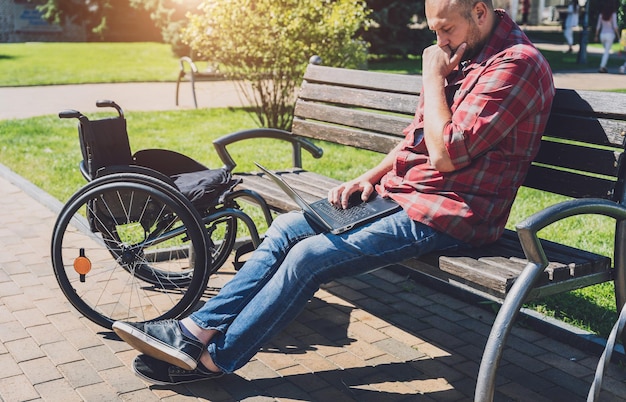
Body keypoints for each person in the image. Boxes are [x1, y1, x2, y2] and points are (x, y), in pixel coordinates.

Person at [112, 0, 555, 386]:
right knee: (287, 228)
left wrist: (431, 77)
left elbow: (444, 154)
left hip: (454, 212)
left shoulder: (516, 65)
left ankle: (212, 362)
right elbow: (417, 137)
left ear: (480, 13)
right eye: (434, 29)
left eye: (445, 28)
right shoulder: (462, 52)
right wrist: (371, 175)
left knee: (311, 257)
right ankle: (193, 332)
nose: (438, 39)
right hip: (404, 194)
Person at [595, 1, 620, 73]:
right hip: (610, 34)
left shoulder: (601, 15)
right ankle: (602, 66)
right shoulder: (613, 14)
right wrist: (618, 37)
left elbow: (598, 26)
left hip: (602, 35)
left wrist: (596, 36)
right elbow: (615, 26)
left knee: (605, 51)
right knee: (606, 52)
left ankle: (604, 66)